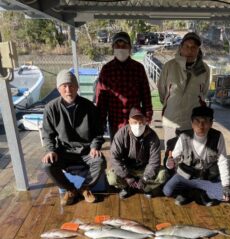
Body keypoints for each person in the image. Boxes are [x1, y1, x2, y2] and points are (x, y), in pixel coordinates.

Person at [41, 69, 106, 205]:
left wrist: (95, 146)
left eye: (71, 85)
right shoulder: (50, 108)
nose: (68, 89)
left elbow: (98, 132)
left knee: (100, 161)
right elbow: (48, 134)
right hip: (64, 151)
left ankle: (85, 188)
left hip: (86, 150)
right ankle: (70, 189)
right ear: (58, 89)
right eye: (64, 86)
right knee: (47, 165)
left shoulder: (89, 106)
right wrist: (50, 150)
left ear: (77, 87)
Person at [163, 105, 230, 206]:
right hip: (186, 177)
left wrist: (226, 185)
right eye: (197, 121)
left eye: (205, 121)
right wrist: (170, 163)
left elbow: (222, 161)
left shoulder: (217, 137)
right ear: (191, 122)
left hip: (207, 178)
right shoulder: (184, 137)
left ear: (211, 123)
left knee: (225, 196)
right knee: (167, 191)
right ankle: (191, 192)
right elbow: (174, 158)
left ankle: (199, 193)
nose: (201, 125)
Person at [95, 31, 153, 140]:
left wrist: (148, 117)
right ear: (113, 48)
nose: (121, 48)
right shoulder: (106, 70)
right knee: (117, 153)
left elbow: (146, 96)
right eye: (117, 45)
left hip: (137, 122)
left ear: (130, 48)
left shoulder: (138, 68)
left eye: (124, 45)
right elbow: (101, 100)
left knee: (137, 153)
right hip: (115, 123)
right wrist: (100, 124)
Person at [157, 32, 210, 147]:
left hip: (193, 122)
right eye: (187, 46)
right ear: (181, 47)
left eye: (194, 47)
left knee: (190, 156)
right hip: (171, 119)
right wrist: (170, 103)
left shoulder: (205, 69)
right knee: (170, 155)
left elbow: (204, 92)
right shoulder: (169, 66)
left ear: (198, 50)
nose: (190, 50)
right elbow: (161, 90)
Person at [107, 107, 168, 199]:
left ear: (146, 121)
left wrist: (145, 178)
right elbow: (114, 157)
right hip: (127, 168)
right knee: (112, 178)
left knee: (163, 174)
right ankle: (126, 187)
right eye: (134, 122)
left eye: (141, 122)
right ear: (129, 121)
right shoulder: (121, 134)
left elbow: (154, 161)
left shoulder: (153, 136)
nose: (138, 125)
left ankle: (147, 188)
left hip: (144, 169)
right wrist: (127, 176)